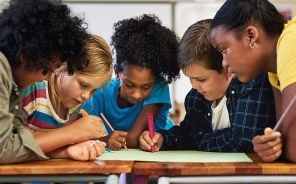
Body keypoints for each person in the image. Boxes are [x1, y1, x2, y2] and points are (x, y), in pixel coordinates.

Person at [0, 0, 91, 164]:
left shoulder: (14, 76)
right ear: (26, 55)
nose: (45, 80)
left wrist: (65, 152)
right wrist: (71, 133)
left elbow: (15, 138)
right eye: (47, 70)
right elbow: (0, 150)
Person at [210, 0, 296, 163]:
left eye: (224, 50)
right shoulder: (274, 71)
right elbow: (286, 140)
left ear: (251, 36)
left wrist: (294, 147)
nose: (224, 63)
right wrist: (271, 146)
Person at [139, 19, 276, 153]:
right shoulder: (195, 98)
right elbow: (186, 134)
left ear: (226, 67)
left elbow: (240, 141)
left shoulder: (251, 84)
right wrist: (162, 138)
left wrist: (195, 140)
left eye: (201, 79)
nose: (194, 86)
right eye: (190, 78)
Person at [83, 14, 180, 150]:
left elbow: (133, 139)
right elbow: (84, 136)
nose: (136, 95)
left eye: (146, 87)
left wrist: (104, 140)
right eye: (129, 85)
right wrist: (105, 139)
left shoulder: (158, 86)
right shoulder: (99, 91)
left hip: (161, 152)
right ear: (117, 72)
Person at [22, 35, 113, 160]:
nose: (86, 96)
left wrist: (73, 146)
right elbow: (13, 144)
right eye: (83, 85)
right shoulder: (34, 89)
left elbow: (53, 145)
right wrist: (73, 132)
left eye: (94, 90)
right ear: (62, 67)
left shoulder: (75, 103)